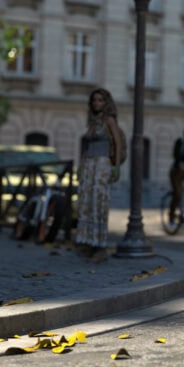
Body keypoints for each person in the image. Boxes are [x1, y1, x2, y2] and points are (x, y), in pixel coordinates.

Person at [76, 88, 123, 263]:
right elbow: (86, 145)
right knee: (86, 203)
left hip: (102, 164)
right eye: (94, 100)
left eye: (100, 100)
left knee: (98, 202)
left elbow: (117, 142)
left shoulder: (109, 120)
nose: (97, 103)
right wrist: (81, 165)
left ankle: (100, 247)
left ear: (106, 103)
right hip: (89, 164)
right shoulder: (92, 121)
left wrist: (116, 166)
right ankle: (88, 243)